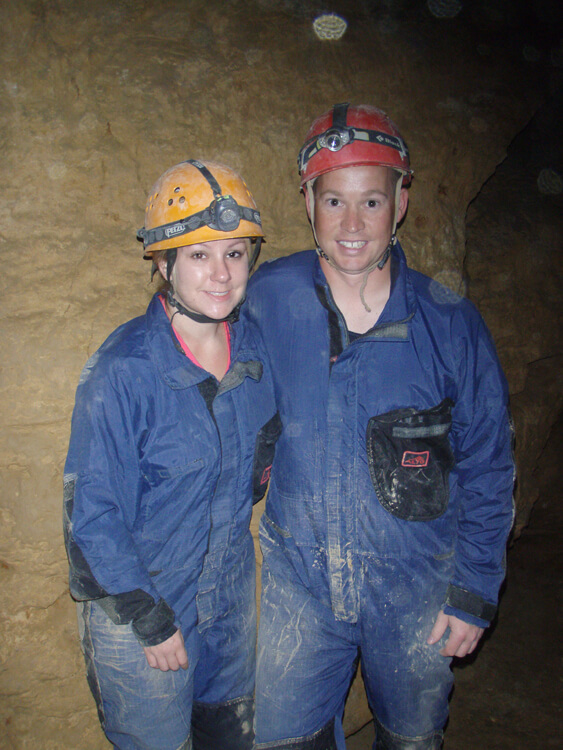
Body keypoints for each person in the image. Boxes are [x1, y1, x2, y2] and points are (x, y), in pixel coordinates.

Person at [243, 104, 515, 749]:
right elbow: (193, 322)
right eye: (333, 199)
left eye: (372, 201)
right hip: (299, 582)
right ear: (307, 200)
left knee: (411, 737)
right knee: (283, 740)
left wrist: (473, 590)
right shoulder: (269, 296)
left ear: (402, 201)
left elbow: (488, 463)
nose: (352, 224)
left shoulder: (449, 325)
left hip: (415, 586)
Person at [63, 159, 280, 750]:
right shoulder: (124, 371)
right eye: (199, 255)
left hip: (229, 598)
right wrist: (150, 618)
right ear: (164, 263)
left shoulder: (255, 352)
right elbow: (93, 515)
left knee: (230, 736)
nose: (220, 274)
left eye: (234, 254)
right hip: (143, 607)